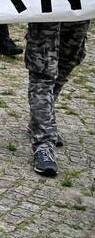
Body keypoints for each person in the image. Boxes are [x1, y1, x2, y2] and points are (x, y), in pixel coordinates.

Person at [24, 20, 91, 176]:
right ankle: (43, 144)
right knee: (43, 73)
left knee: (66, 64)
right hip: (47, 14)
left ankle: (40, 121)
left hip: (77, 14)